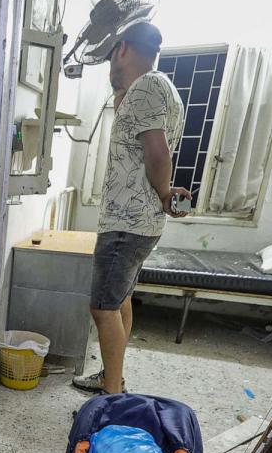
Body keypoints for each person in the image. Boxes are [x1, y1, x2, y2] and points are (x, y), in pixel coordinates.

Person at [72, 22, 190, 395]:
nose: (109, 66)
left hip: (126, 223)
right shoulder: (160, 88)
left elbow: (157, 150)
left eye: (110, 57)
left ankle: (112, 399)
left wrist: (164, 189)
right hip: (139, 223)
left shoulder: (146, 88)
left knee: (103, 308)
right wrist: (163, 195)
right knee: (120, 301)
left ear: (122, 49)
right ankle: (113, 378)